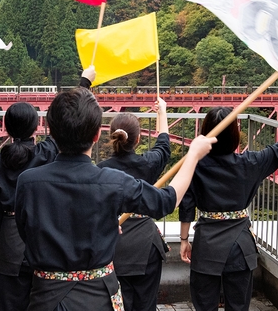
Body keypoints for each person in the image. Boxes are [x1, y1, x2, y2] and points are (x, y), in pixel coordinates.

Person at [14, 87, 216, 311]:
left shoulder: (28, 182)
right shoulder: (112, 182)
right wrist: (193, 156)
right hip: (97, 298)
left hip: (45, 298)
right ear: (96, 135)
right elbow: (166, 201)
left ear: (51, 132)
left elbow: (28, 231)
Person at [179, 96, 278, 311]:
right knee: (238, 306)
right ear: (235, 134)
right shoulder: (250, 163)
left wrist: (183, 240)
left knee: (203, 304)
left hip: (207, 244)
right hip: (240, 245)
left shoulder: (194, 166)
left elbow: (187, 205)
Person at [0, 68, 95, 310]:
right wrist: (84, 83)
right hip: (44, 235)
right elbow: (70, 118)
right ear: (36, 127)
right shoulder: (47, 153)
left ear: (7, 127)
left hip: (9, 242)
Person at [97, 99, 172, 311]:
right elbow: (163, 145)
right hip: (146, 246)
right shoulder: (148, 164)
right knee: (145, 305)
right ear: (138, 139)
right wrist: (162, 113)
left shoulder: (101, 171)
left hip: (112, 244)